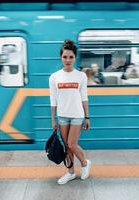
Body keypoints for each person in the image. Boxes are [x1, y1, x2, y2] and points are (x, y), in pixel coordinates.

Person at [49, 39, 91, 185]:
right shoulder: (54, 77)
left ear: (75, 58)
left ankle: (85, 163)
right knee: (67, 147)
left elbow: (84, 98)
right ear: (61, 57)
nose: (67, 60)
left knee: (72, 144)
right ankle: (71, 172)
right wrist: (53, 119)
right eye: (65, 57)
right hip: (62, 116)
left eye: (71, 57)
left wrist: (87, 117)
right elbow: (53, 99)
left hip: (77, 116)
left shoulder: (81, 76)